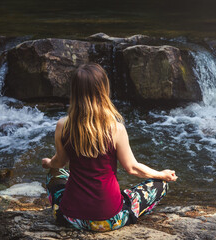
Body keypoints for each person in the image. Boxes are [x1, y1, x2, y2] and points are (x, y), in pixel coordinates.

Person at [42, 63, 178, 231]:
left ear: (75, 91)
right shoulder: (116, 128)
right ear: (103, 90)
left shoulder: (63, 125)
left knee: (54, 174)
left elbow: (59, 163)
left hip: (71, 217)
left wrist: (48, 163)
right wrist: (161, 174)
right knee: (160, 184)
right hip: (111, 218)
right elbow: (132, 168)